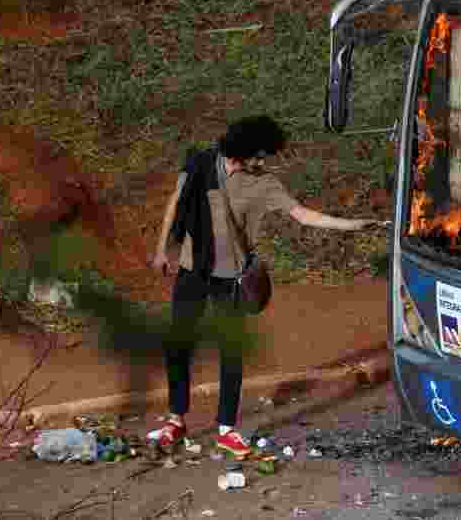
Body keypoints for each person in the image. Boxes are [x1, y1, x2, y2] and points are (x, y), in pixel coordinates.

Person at [151, 115, 384, 457]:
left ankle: (226, 428)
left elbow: (302, 214)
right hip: (191, 269)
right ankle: (176, 419)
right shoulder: (200, 163)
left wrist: (352, 225)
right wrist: (161, 250)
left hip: (230, 276)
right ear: (238, 150)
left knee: (231, 352)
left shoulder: (265, 184)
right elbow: (176, 202)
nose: (263, 162)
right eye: (258, 155)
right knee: (178, 346)